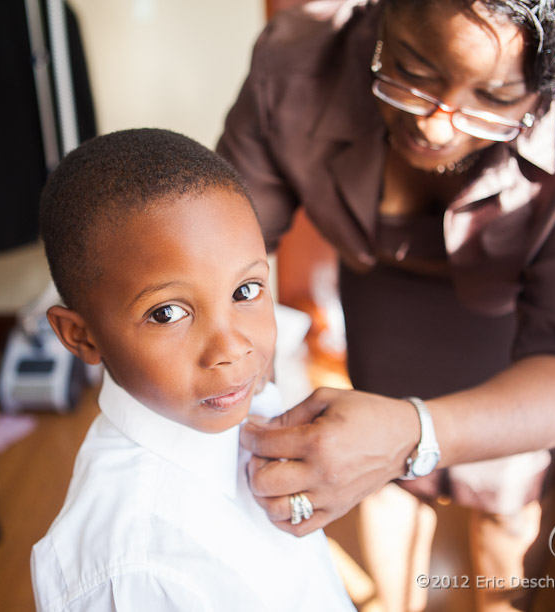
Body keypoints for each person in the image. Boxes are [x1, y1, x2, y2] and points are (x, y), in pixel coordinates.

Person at [217, 0, 555, 610]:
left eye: (496, 98)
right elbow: (220, 253)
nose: (435, 127)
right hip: (383, 309)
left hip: (520, 349)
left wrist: (416, 432)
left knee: (508, 511)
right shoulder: (296, 58)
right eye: (411, 70)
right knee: (383, 482)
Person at [31, 128, 355, 611]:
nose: (231, 349)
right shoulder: (136, 568)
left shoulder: (242, 393)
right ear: (82, 336)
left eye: (246, 291)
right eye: (166, 314)